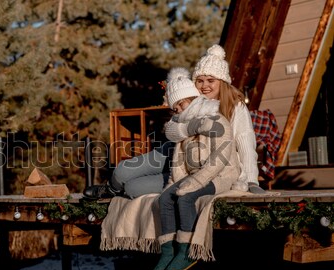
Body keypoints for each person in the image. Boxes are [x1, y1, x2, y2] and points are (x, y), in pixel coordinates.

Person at [83, 44, 264, 199]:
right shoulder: (191, 101)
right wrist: (188, 126)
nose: (204, 85)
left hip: (199, 166)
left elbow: (246, 145)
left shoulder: (235, 107)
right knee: (123, 170)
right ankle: (110, 188)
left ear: (222, 82)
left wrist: (251, 181)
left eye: (211, 80)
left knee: (133, 188)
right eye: (199, 81)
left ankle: (134, 187)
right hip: (174, 151)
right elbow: (171, 128)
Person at [150, 68, 240, 270]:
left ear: (193, 99)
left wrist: (194, 183)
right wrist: (173, 186)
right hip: (194, 176)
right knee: (165, 199)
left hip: (220, 174)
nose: (179, 110)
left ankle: (187, 249)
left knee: (185, 198)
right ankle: (167, 250)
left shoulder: (216, 120)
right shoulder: (185, 128)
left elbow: (219, 160)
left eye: (182, 104)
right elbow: (178, 163)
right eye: (175, 108)